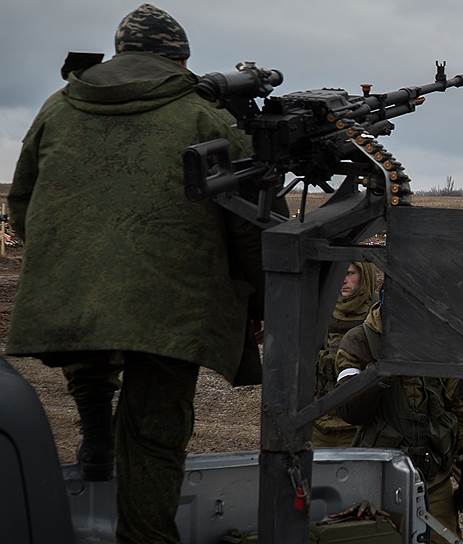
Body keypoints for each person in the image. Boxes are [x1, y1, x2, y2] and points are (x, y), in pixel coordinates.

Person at [5, 5, 277, 543]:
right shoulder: (206, 117)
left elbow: (21, 200)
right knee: (154, 434)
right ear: (178, 57)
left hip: (71, 294)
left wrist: (62, 261)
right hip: (168, 308)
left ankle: (96, 430)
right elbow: (250, 225)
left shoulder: (57, 107)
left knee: (94, 326)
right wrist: (265, 299)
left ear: (120, 53)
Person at [335, 302, 463, 544]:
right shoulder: (361, 341)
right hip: (378, 477)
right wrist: (381, 372)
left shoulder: (444, 341)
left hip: (433, 476)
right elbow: (349, 410)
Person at [311, 261, 378, 447]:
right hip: (319, 425)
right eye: (338, 274)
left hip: (358, 432)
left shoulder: (377, 322)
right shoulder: (321, 315)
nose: (343, 280)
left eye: (350, 273)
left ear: (365, 277)